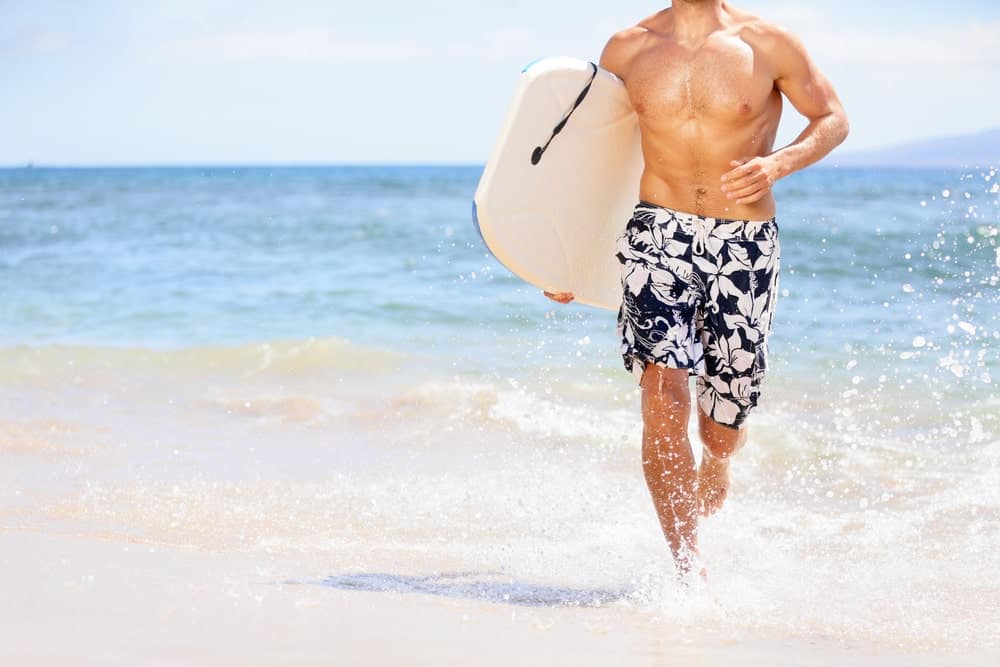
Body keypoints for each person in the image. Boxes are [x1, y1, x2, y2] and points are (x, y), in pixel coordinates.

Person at [544, 0, 849, 579]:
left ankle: (719, 457)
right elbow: (597, 155)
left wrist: (777, 165)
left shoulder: (767, 43)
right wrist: (569, 259)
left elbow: (833, 118)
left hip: (745, 241)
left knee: (721, 424)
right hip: (658, 232)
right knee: (661, 397)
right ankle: (688, 568)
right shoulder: (627, 48)